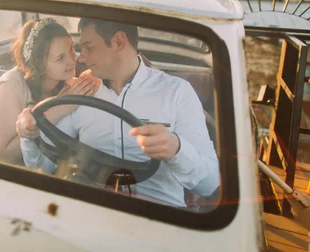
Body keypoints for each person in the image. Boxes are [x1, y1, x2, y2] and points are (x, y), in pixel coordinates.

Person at [17, 18, 219, 208]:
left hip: (160, 216)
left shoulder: (176, 92)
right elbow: (41, 166)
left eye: (89, 47)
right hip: (91, 212)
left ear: (119, 41)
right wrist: (29, 135)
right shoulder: (81, 91)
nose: (81, 57)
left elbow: (209, 184)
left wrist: (177, 149)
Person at [0, 18, 100, 165]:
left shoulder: (64, 80)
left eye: (71, 49)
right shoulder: (9, 86)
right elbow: (6, 156)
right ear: (39, 64)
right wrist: (59, 108)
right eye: (60, 58)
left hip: (36, 161)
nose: (73, 61)